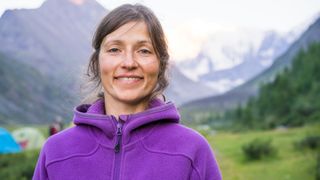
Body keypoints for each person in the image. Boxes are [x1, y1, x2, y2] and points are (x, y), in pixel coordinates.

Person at [33, 4, 222, 180]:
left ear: (161, 64)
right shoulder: (55, 152)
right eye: (115, 49)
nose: (129, 63)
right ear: (97, 62)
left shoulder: (192, 150)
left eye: (144, 51)